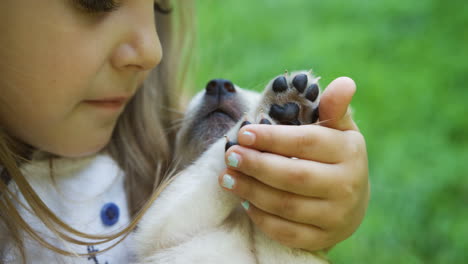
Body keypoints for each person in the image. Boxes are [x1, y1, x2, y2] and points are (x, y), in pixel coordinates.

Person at [0, 0, 369, 263]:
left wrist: (324, 210)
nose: (151, 51)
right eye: (96, 1)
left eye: (160, 6)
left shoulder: (141, 138)